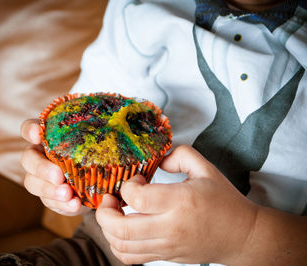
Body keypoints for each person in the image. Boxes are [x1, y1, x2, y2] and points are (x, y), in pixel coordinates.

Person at [20, 0, 307, 265]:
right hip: (103, 250)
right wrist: (64, 185)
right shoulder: (137, 7)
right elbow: (85, 127)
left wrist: (246, 236)